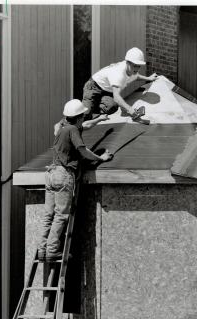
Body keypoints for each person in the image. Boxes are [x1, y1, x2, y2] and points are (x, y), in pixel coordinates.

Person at [38, 99, 113, 262]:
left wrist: (99, 119)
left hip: (50, 174)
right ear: (79, 116)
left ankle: (42, 250)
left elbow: (83, 126)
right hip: (63, 174)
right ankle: (52, 251)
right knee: (61, 215)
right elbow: (83, 150)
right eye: (83, 116)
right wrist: (101, 157)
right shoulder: (72, 130)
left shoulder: (61, 127)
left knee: (48, 215)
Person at [82, 47, 158, 120]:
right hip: (94, 87)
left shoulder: (131, 70)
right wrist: (129, 109)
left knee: (112, 107)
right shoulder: (119, 73)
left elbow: (136, 76)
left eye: (139, 66)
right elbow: (116, 97)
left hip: (107, 91)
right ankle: (86, 111)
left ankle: (92, 111)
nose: (137, 69)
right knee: (85, 115)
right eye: (135, 66)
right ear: (127, 62)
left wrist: (149, 78)